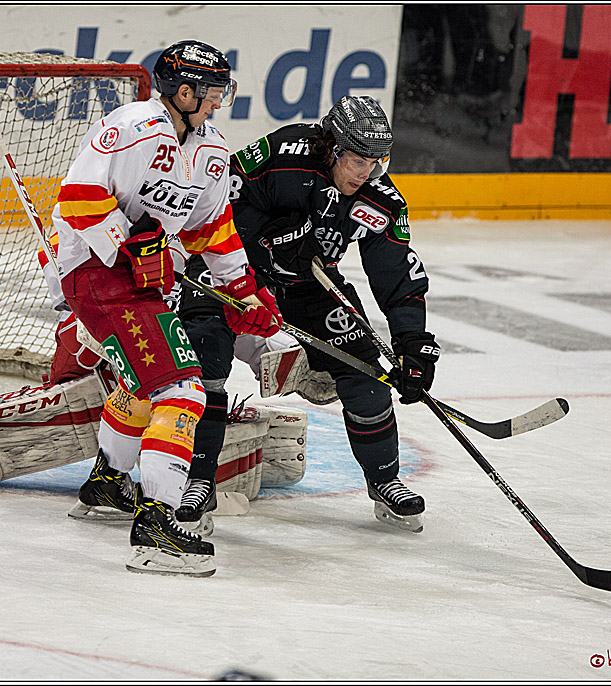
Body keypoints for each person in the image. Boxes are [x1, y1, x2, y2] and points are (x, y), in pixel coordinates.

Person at [49, 40, 282, 576]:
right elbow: (78, 196)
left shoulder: (211, 152)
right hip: (96, 272)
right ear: (183, 89)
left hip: (142, 284)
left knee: (142, 380)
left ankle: (108, 484)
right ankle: (157, 523)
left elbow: (211, 228)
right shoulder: (132, 126)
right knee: (181, 389)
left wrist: (243, 289)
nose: (219, 99)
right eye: (212, 90)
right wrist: (127, 245)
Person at [228, 95, 440, 533]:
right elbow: (221, 195)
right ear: (332, 148)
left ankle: (385, 480)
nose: (367, 173)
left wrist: (412, 342)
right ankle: (185, 476)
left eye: (376, 162)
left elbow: (396, 275)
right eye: (358, 160)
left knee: (367, 372)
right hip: (236, 275)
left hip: (309, 287)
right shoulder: (289, 153)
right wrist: (264, 236)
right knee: (199, 359)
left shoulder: (380, 200)